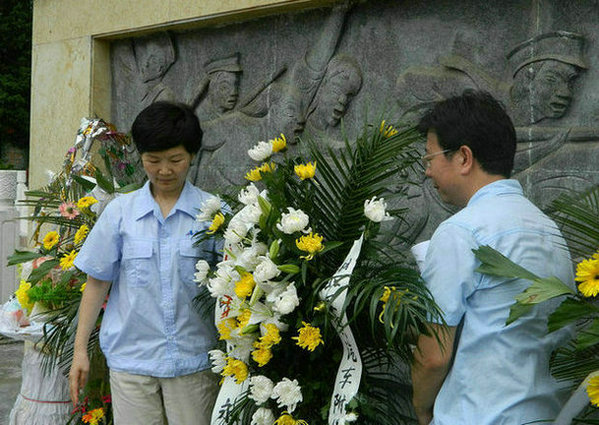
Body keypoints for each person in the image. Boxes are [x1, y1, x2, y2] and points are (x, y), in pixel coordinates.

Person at [410, 90, 574, 425]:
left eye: (430, 159)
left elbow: (433, 357)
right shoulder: (549, 230)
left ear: (463, 157)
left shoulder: (461, 232)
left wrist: (422, 409)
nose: (428, 172)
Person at [69, 101, 222, 425]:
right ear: (141, 157)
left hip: (193, 364)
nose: (164, 170)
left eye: (175, 160)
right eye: (153, 160)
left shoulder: (213, 213)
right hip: (132, 364)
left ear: (192, 155)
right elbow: (97, 282)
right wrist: (80, 349)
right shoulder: (119, 212)